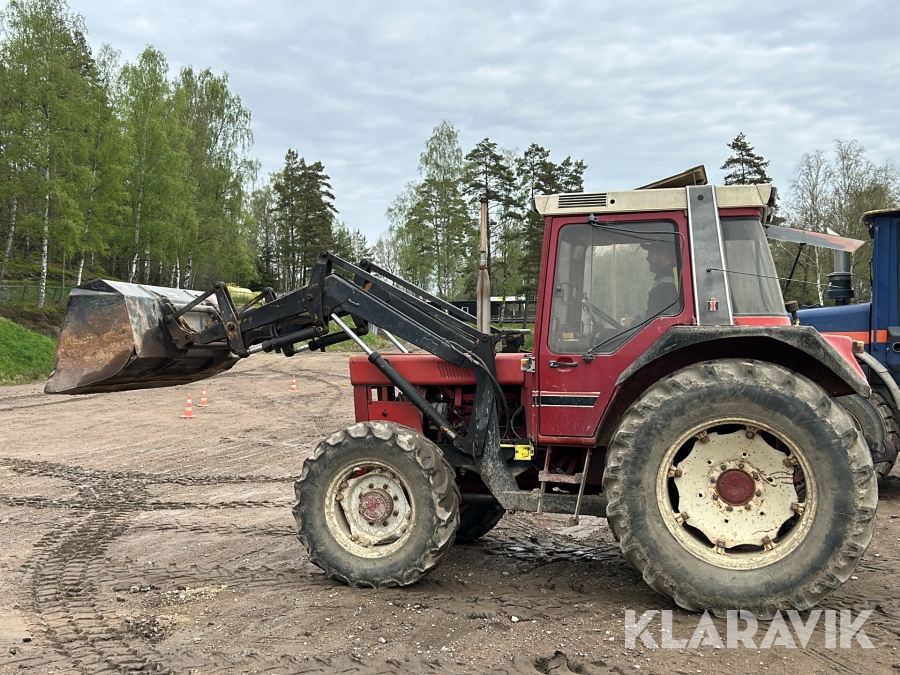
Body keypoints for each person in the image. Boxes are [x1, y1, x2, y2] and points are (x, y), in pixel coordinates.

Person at [625, 241, 679, 327]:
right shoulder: (672, 275)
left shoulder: (665, 284)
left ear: (665, 253)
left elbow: (655, 323)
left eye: (651, 253)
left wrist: (632, 324)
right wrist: (641, 319)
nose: (647, 258)